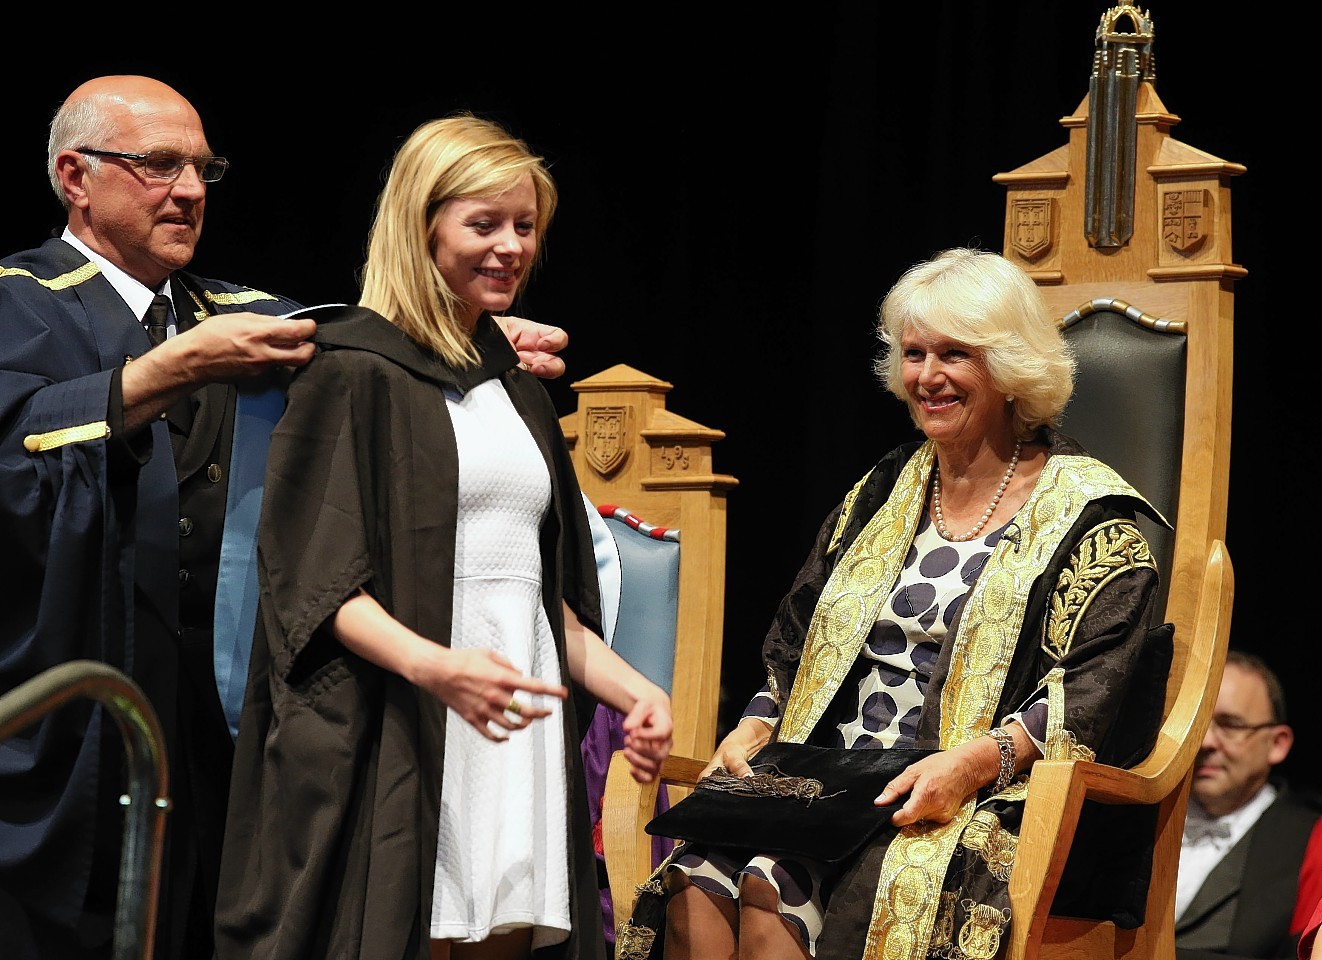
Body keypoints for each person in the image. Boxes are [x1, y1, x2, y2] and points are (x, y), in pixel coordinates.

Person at [0, 76, 568, 960]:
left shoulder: (239, 313)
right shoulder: (17, 301)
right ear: (76, 176)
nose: (189, 190)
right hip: (84, 678)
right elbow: (12, 440)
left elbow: (378, 341)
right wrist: (160, 373)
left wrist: (475, 339)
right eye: (158, 166)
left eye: (201, 168)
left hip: (225, 689)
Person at [212, 113, 673, 960]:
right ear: (422, 224)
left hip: (511, 711)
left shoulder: (518, 390)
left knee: (503, 933)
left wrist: (635, 692)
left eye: (526, 226)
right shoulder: (352, 371)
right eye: (483, 224)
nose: (510, 248)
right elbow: (313, 588)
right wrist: (438, 667)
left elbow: (544, 601)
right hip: (400, 717)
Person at [644, 247, 1174, 960]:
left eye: (955, 355)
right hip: (822, 773)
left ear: (1010, 366)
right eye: (914, 353)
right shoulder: (882, 491)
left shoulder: (1091, 519)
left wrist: (969, 765)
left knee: (770, 884)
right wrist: (755, 721)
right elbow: (797, 636)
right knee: (696, 876)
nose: (926, 377)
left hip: (969, 790)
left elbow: (1087, 692)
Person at [1174, 651, 1322, 960]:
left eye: (1230, 725)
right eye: (1197, 721)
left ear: (1277, 743)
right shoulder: (1137, 816)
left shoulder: (1313, 840)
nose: (1205, 742)